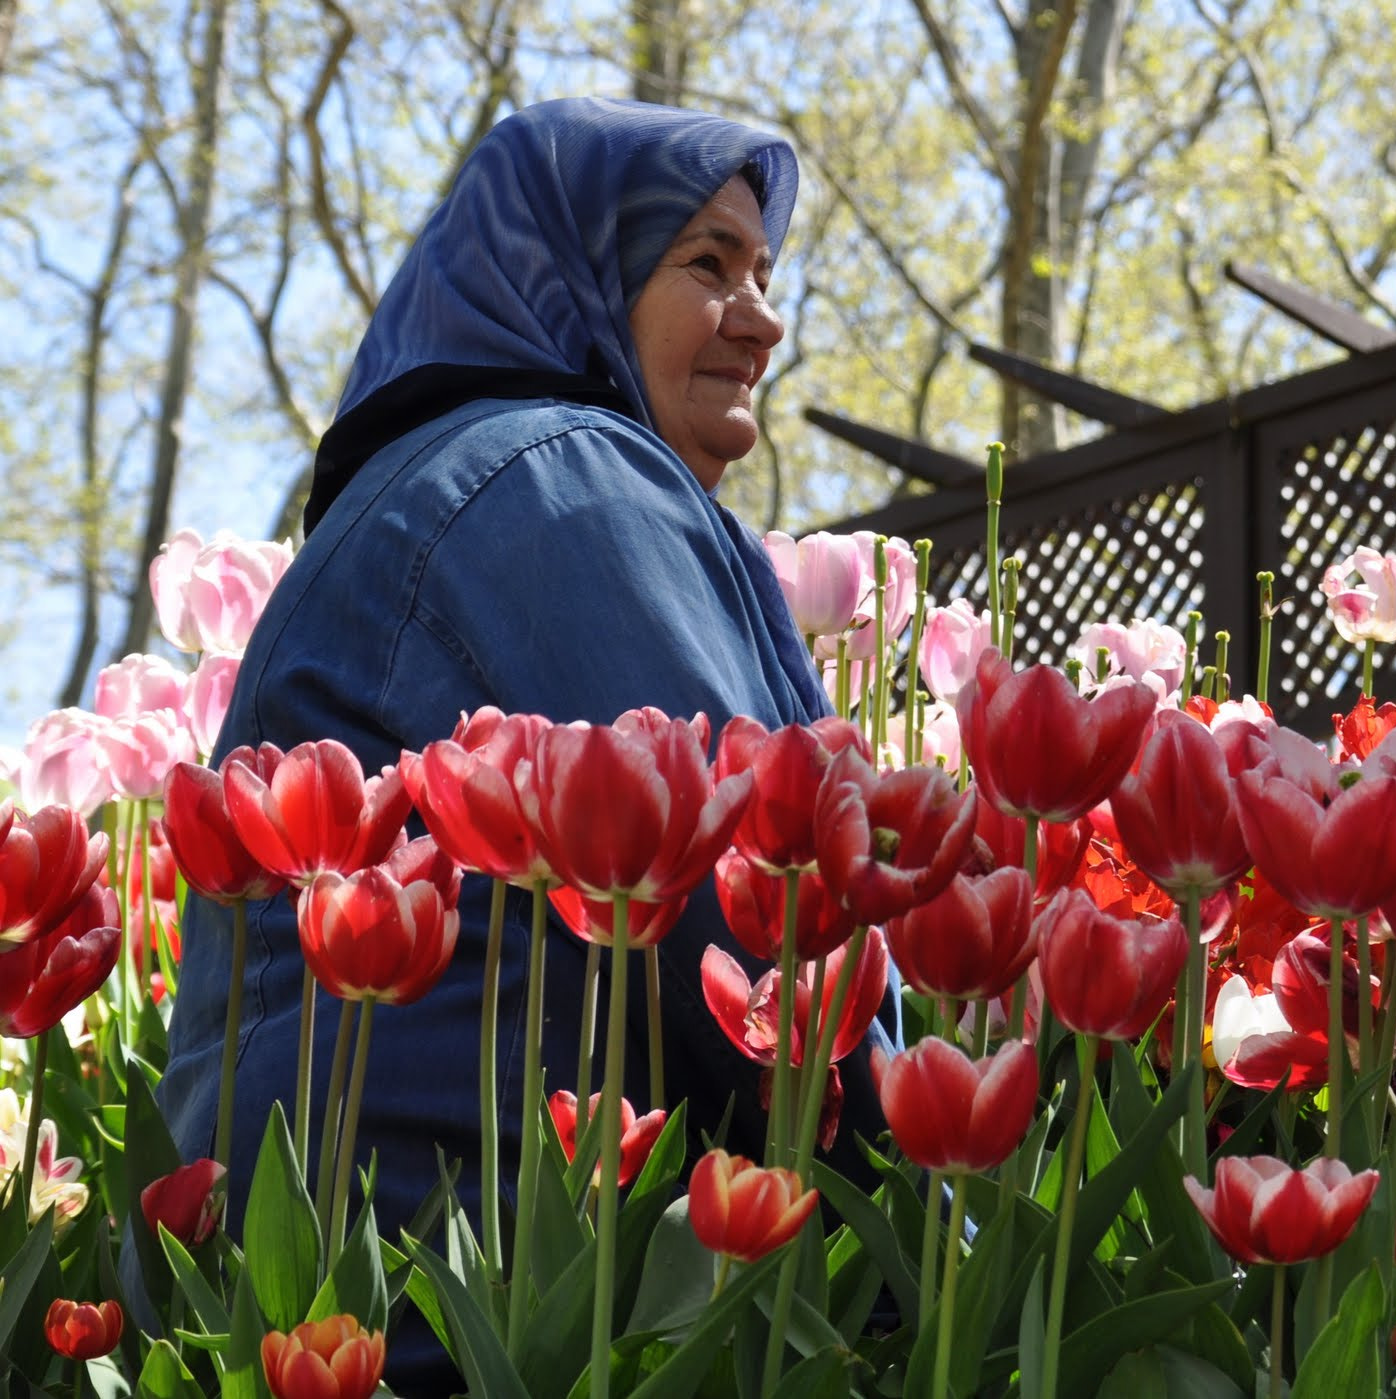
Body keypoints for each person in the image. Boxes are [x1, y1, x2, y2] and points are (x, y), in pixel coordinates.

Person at [153, 98, 889, 1389]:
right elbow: (757, 907)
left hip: (330, 1296)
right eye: (707, 264)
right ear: (572, 276)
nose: (765, 320)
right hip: (498, 1301)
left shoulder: (438, 488)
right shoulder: (555, 479)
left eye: (767, 273)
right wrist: (941, 1201)